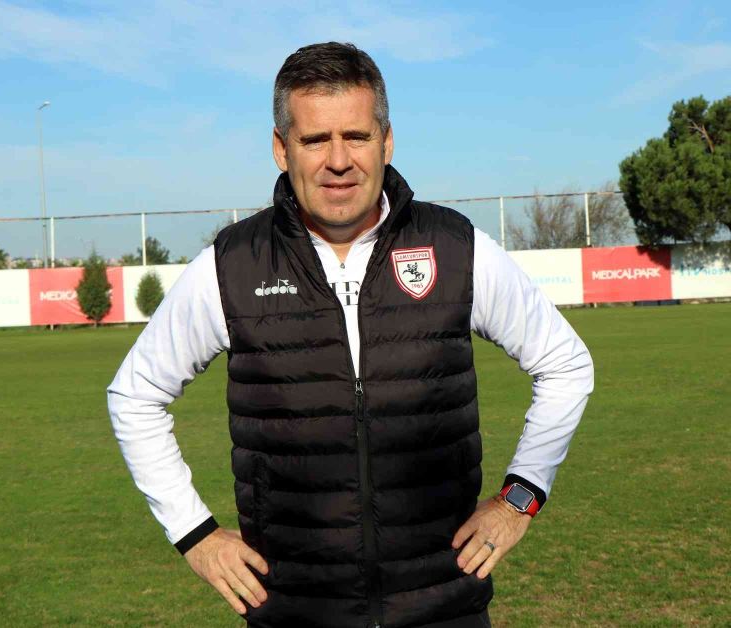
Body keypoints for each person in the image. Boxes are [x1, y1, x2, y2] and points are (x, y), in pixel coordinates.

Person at [108, 42, 594, 628]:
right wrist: (195, 534)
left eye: (357, 137)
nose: (338, 161)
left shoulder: (455, 247)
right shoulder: (232, 264)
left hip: (442, 609)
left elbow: (566, 364)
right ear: (281, 148)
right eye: (315, 140)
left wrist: (520, 498)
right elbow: (135, 395)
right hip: (294, 613)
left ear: (386, 141)